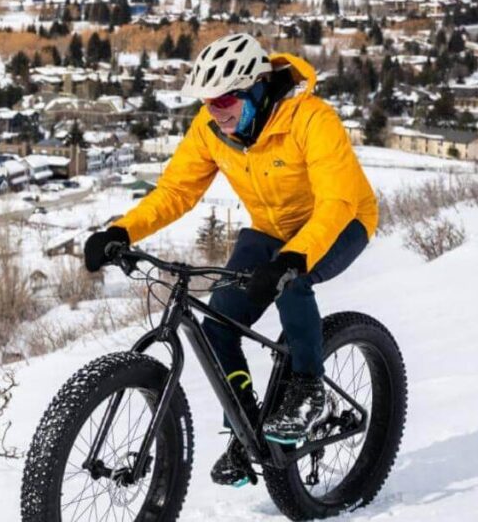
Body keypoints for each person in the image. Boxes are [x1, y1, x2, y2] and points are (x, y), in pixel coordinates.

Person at [84, 33, 377, 487]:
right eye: (206, 102)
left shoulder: (311, 119)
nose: (214, 112)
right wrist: (122, 230)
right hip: (270, 229)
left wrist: (292, 260)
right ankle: (245, 429)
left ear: (255, 88)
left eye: (223, 100)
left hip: (342, 222)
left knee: (292, 283)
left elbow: (337, 201)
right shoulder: (211, 127)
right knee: (218, 323)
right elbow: (176, 191)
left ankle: (307, 390)